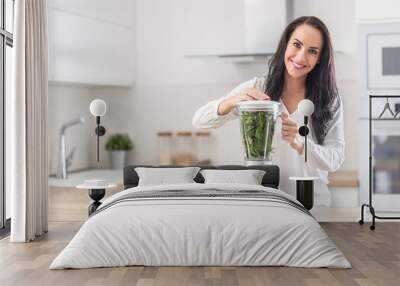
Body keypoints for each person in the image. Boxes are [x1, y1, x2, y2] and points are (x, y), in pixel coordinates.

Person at [192, 16, 345, 207]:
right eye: (296, 45)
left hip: (312, 202)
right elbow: (199, 120)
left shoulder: (328, 99)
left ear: (319, 59)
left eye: (312, 51)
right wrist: (234, 101)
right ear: (285, 45)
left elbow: (335, 159)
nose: (301, 57)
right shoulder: (258, 87)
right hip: (264, 199)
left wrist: (302, 144)